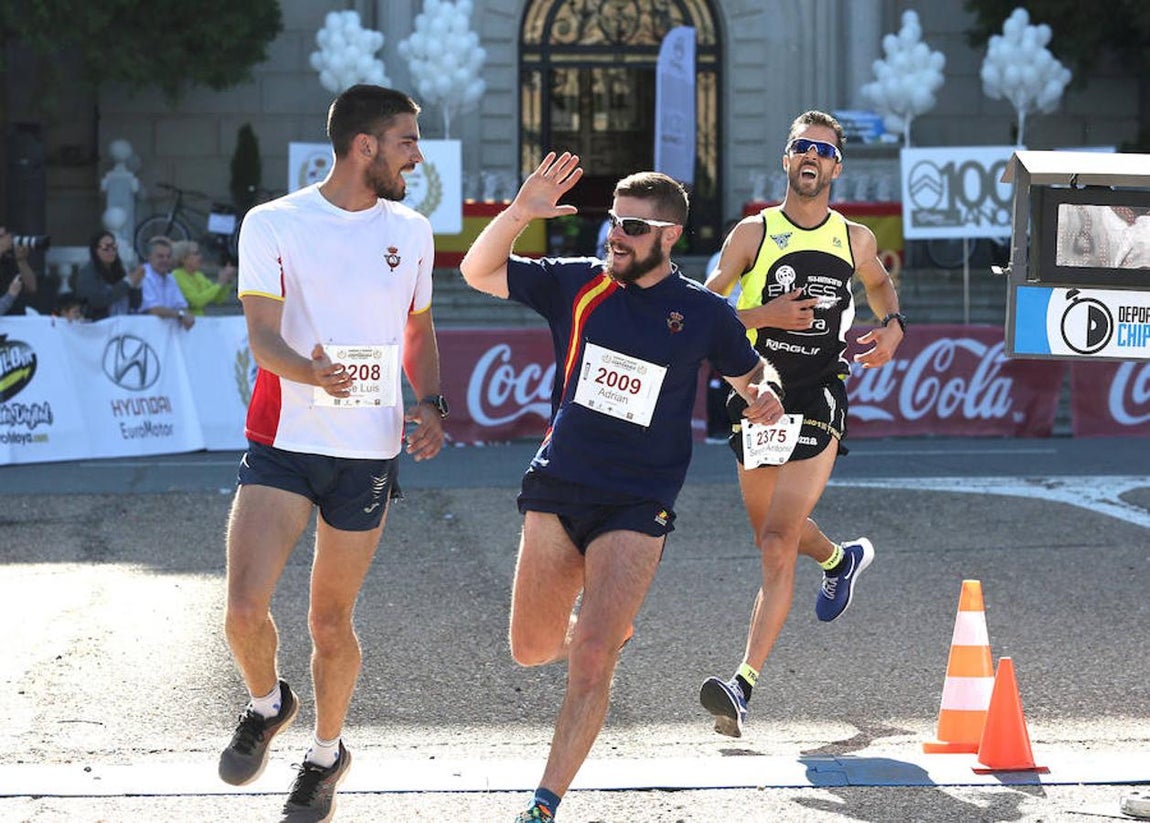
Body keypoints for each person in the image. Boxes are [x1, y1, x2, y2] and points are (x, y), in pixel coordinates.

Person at [460, 153, 785, 823]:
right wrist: (520, 213)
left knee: (591, 657)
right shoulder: (577, 283)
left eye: (634, 227)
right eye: (614, 221)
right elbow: (476, 270)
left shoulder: (703, 312)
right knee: (529, 647)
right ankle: (598, 631)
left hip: (640, 500)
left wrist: (768, 396)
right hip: (560, 485)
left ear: (669, 236)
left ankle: (542, 804)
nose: (617, 235)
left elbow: (753, 376)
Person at [218, 84, 446, 823]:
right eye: (407, 140)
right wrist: (309, 371)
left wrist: (431, 403)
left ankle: (325, 756)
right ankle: (266, 703)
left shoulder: (411, 230)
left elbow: (418, 330)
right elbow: (262, 337)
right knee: (243, 609)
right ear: (365, 146)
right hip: (283, 440)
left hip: (368, 453)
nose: (417, 153)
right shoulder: (275, 222)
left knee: (328, 623)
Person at [698, 110, 905, 738]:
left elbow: (880, 288)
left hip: (818, 396)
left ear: (837, 166)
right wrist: (766, 313)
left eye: (823, 150)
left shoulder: (855, 239)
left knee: (777, 539)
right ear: (787, 161)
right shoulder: (753, 233)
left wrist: (893, 329)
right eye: (801, 148)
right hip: (756, 394)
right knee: (771, 533)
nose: (811, 156)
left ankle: (742, 685)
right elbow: (710, 308)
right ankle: (840, 561)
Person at [73, 231, 143, 320]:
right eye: (106, 247)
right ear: (95, 250)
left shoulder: (119, 271)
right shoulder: (87, 273)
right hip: (98, 326)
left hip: (122, 325)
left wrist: (136, 285)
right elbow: (97, 300)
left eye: (113, 247)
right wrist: (127, 282)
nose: (111, 251)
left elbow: (135, 304)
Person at [138, 235, 194, 329]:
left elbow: (181, 305)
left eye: (168, 256)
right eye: (160, 256)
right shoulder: (143, 275)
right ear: (149, 257)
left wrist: (185, 314)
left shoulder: (170, 278)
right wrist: (180, 314)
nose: (165, 260)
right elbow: (153, 310)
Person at [171, 239, 236, 315]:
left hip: (200, 321)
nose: (200, 257)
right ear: (183, 258)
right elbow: (197, 301)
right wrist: (220, 284)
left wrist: (226, 281)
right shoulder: (177, 275)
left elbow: (218, 299)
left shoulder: (198, 275)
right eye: (196, 254)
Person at [0, 226, 40, 316]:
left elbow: (32, 287)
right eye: (1, 237)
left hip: (17, 317)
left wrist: (21, 260)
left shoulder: (9, 259)